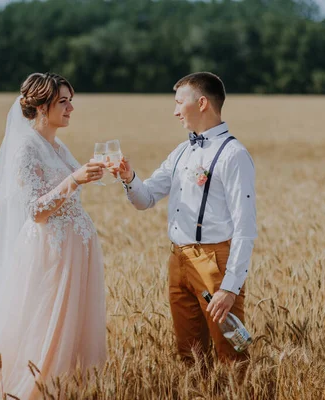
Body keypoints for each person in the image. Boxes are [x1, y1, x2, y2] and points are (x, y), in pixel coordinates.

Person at [0, 72, 107, 399]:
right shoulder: (25, 148)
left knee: (74, 325)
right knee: (48, 323)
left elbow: (65, 187)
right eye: (63, 101)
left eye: (71, 100)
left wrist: (87, 174)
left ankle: (71, 388)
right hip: (51, 251)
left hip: (77, 250)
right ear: (42, 107)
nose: (72, 107)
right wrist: (75, 179)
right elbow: (36, 211)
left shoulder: (55, 144)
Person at [116, 72, 257, 367]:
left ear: (202, 103)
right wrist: (129, 178)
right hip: (178, 259)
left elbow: (245, 227)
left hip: (214, 263)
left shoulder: (234, 155)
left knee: (231, 354)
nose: (175, 110)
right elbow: (146, 198)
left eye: (180, 102)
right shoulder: (182, 151)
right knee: (189, 355)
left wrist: (230, 287)